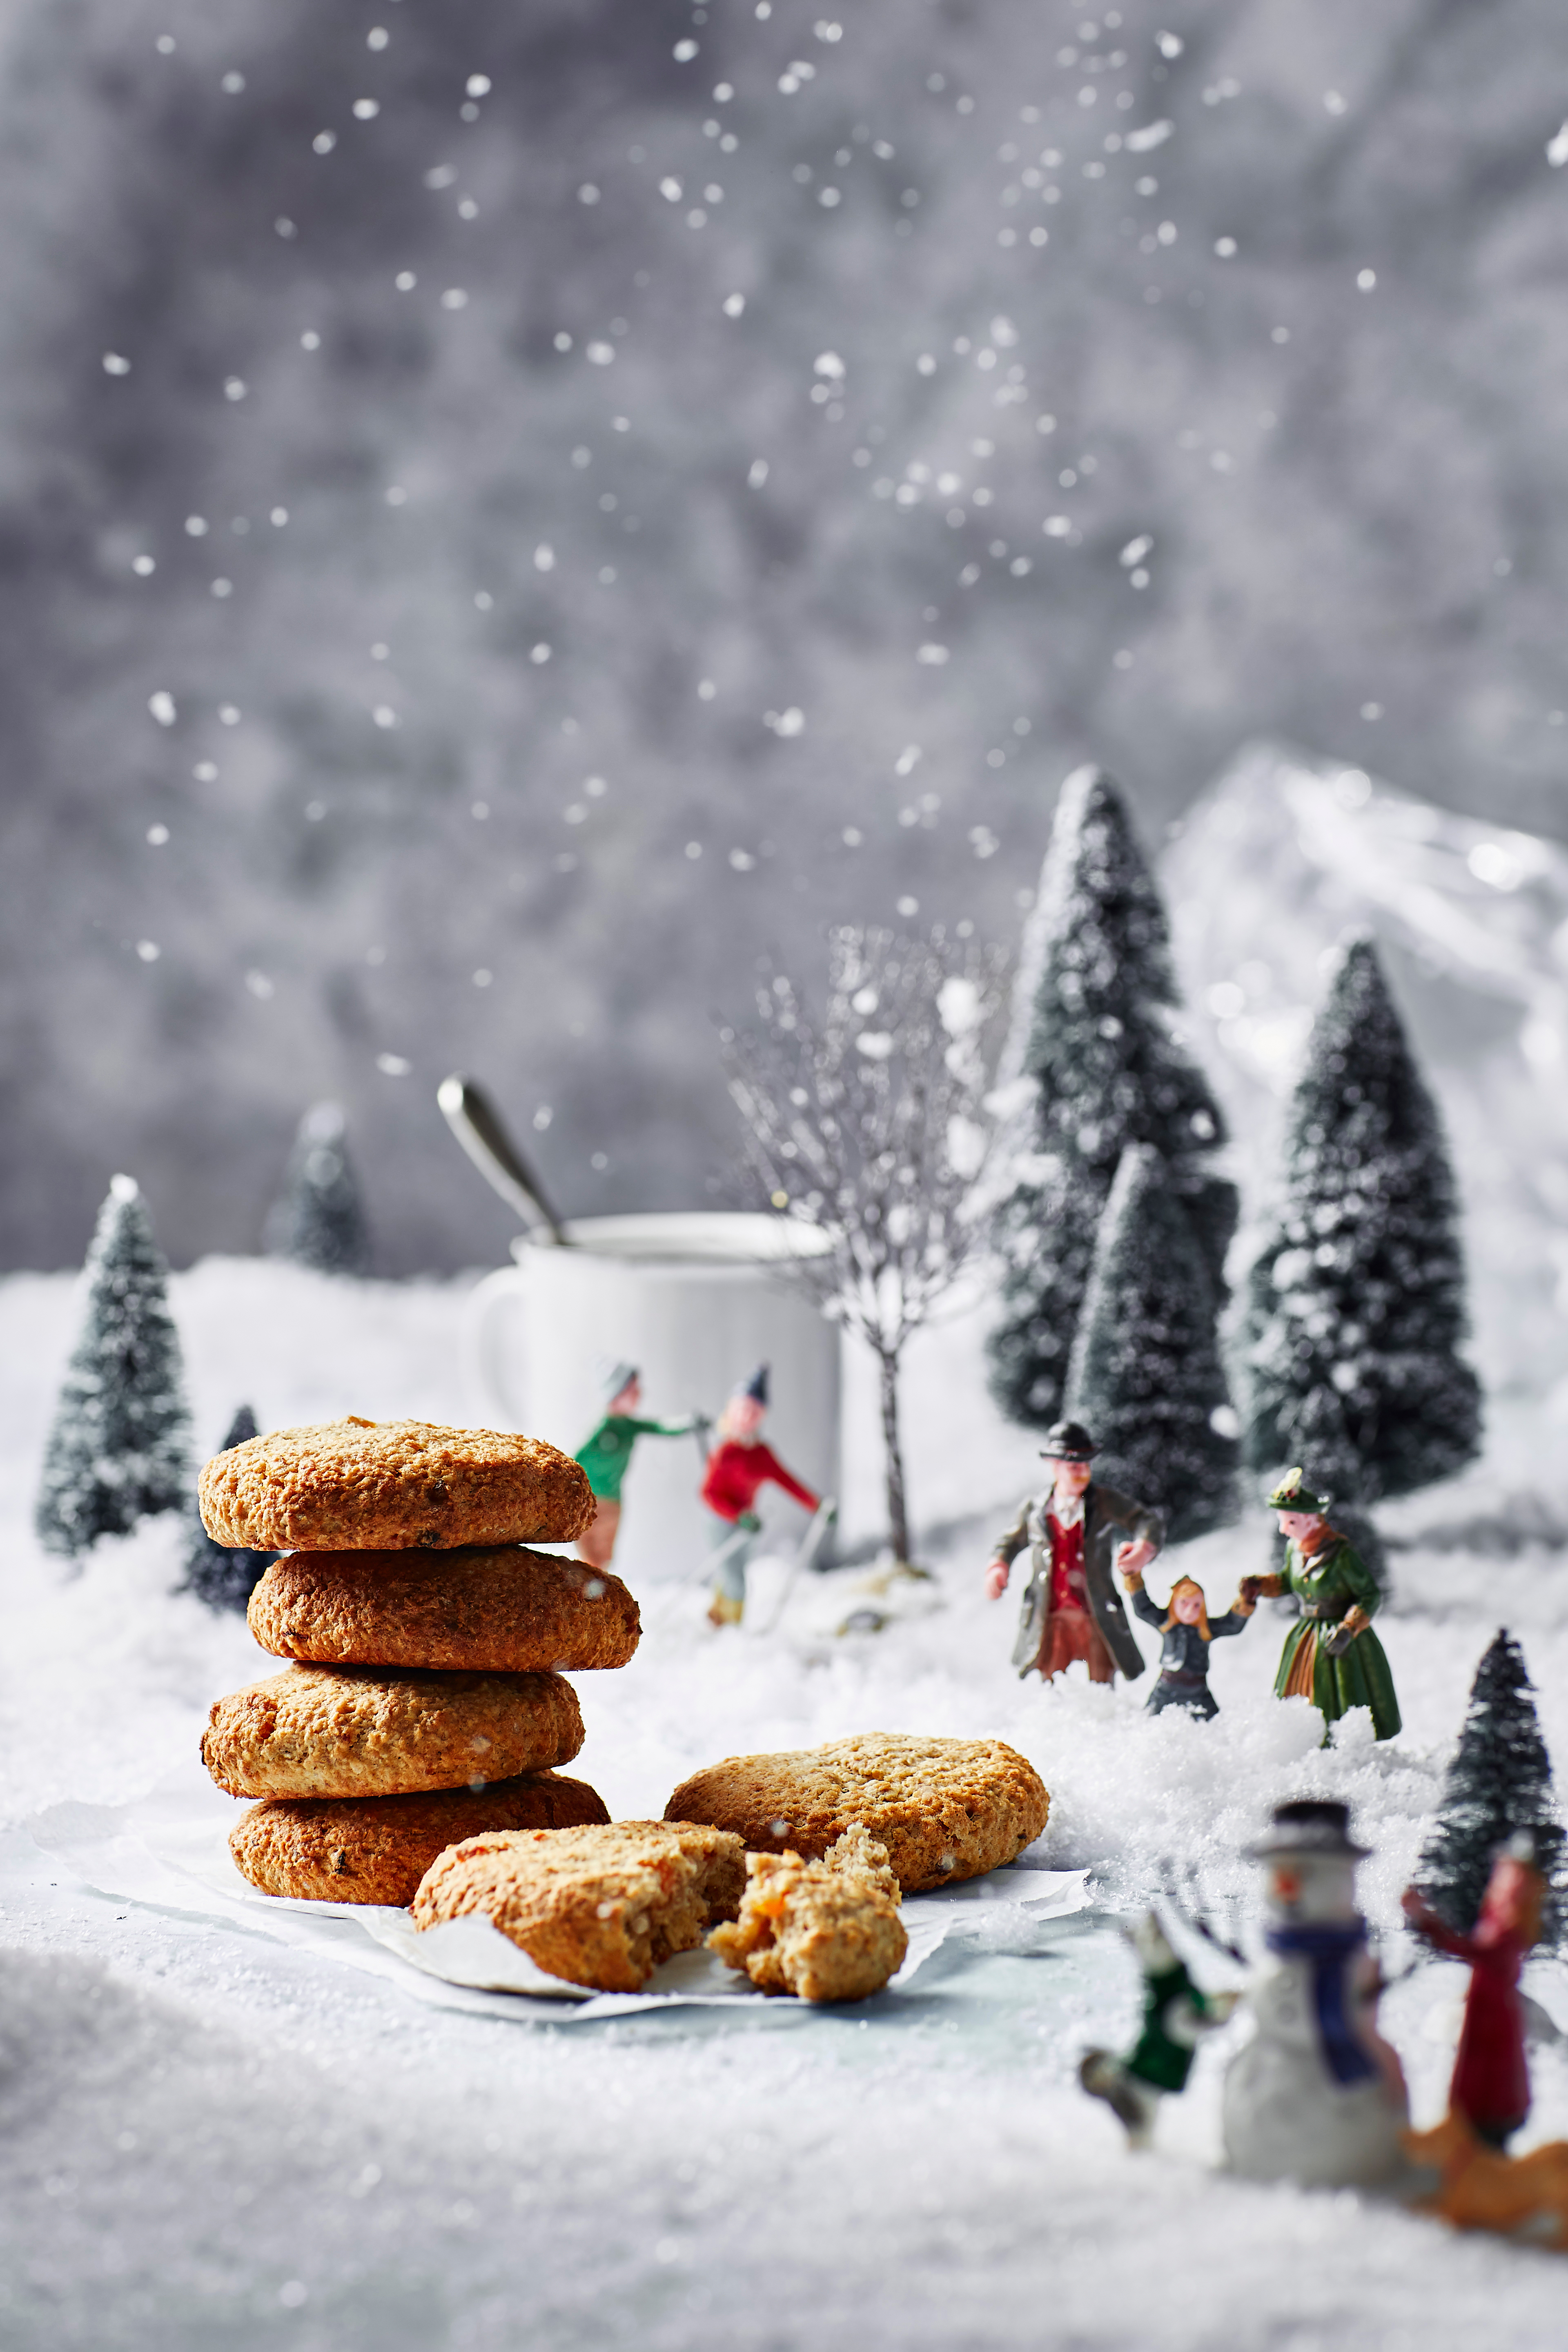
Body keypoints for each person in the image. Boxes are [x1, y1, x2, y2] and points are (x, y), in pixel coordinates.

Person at [984, 1420, 1162, 1685]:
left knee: (1101, 1676)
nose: (1082, 1473)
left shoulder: (1102, 1502)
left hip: (1096, 1611)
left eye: (1086, 1466)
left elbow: (1145, 1520)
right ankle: (1056, 1718)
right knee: (1052, 1676)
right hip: (1052, 1612)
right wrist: (998, 1566)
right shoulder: (1036, 1508)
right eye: (1074, 1467)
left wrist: (1143, 1549)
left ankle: (1105, 1715)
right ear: (1055, 1467)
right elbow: (1010, 1541)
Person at [1402, 1838, 1547, 2149]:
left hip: (1492, 2026)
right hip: (1486, 2019)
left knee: (1489, 2098)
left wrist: (1427, 1922)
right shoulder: (1501, 1924)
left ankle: (1487, 2160)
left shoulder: (1507, 1932)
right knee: (1483, 2096)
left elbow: (1474, 1951)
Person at [1239, 1467, 1401, 1742]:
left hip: (1341, 1636)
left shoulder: (1342, 1555)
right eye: (1282, 1521)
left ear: (1312, 1520)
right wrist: (1261, 1585)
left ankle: (1346, 1739)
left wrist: (1349, 1628)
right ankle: (1302, 1737)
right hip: (1307, 1634)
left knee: (1342, 1691)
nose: (1283, 1529)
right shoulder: (1294, 1550)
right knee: (1300, 1688)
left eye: (1290, 1522)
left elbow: (1370, 1595)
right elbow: (1288, 1582)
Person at [700, 1365, 820, 1627]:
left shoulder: (762, 1454)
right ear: (732, 1411)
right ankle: (732, 1628)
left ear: (762, 1416)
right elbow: (708, 1493)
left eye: (754, 1412)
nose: (747, 1417)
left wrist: (817, 1506)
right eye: (743, 1410)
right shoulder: (725, 1452)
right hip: (722, 1523)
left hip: (749, 1525)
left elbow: (788, 1481)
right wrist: (736, 1515)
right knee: (737, 1582)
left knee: (734, 1571)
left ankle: (717, 1618)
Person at [572, 1364, 695, 1572]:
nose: (639, 1394)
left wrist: (688, 1423)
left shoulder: (630, 1427)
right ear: (616, 1394)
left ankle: (598, 1596)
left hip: (613, 1501)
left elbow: (662, 1427)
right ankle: (585, 1596)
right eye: (632, 1390)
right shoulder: (602, 1429)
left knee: (603, 1560)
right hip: (589, 1500)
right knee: (589, 1557)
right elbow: (576, 1460)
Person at [1120, 1569, 1255, 1719]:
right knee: (1147, 1718)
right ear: (1174, 1602)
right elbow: (1143, 1609)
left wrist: (1247, 1601)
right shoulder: (1166, 1624)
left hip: (1197, 1689)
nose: (1190, 1610)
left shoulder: (1206, 1630)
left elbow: (1232, 1625)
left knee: (1217, 1721)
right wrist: (1134, 1578)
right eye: (1184, 1603)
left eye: (1197, 1605)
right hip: (1167, 1686)